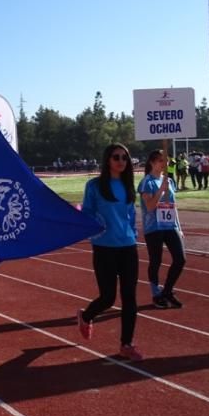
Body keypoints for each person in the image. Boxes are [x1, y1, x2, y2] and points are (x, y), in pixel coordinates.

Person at [77, 143, 143, 361]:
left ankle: (127, 344)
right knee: (107, 298)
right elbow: (87, 213)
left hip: (127, 247)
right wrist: (93, 223)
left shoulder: (127, 185)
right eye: (116, 157)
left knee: (130, 298)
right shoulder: (94, 186)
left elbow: (130, 215)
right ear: (107, 160)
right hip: (105, 248)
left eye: (125, 158)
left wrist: (132, 234)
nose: (121, 161)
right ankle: (86, 316)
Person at [138, 150, 186, 309]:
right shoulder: (147, 182)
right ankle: (155, 293)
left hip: (170, 225)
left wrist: (179, 227)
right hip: (154, 227)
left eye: (166, 161)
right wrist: (160, 190)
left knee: (180, 259)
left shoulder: (170, 181)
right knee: (156, 261)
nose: (164, 164)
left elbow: (173, 205)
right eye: (161, 161)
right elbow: (150, 206)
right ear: (152, 162)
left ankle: (167, 290)